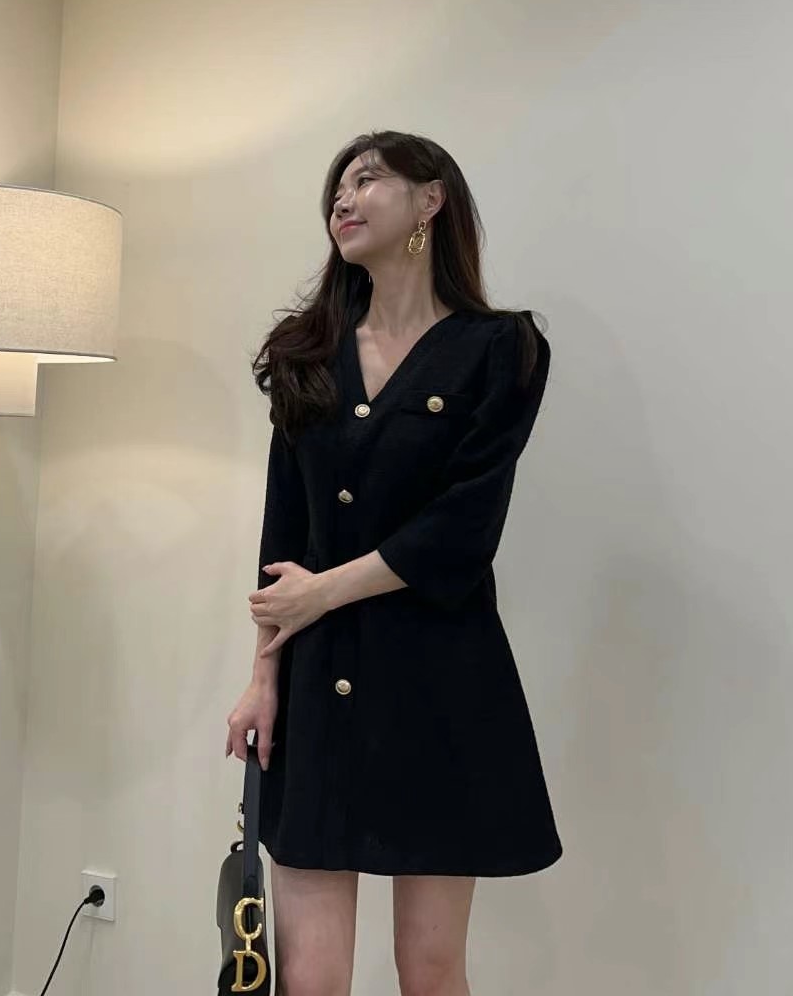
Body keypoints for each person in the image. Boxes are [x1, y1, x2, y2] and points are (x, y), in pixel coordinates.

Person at [225, 129, 562, 996]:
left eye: (367, 179)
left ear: (430, 199)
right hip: (317, 688)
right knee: (307, 977)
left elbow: (464, 529)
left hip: (441, 684)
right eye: (336, 189)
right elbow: (283, 539)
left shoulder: (501, 350)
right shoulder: (306, 350)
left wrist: (325, 593)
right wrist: (262, 679)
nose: (343, 198)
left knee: (431, 969)